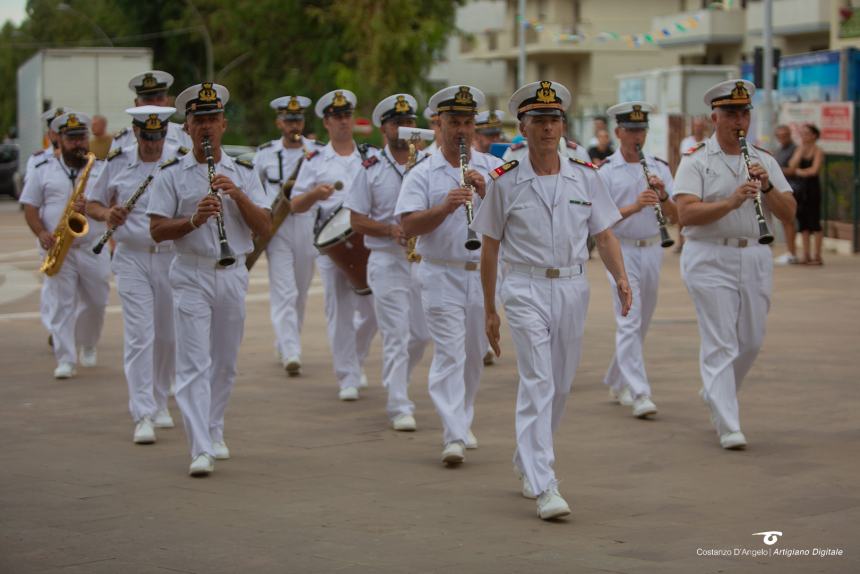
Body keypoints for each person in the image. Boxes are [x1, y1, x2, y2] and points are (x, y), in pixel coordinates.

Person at [472, 80, 631, 520]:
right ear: (522, 126)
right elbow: (489, 247)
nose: (547, 128)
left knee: (560, 384)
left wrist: (620, 277)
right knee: (538, 380)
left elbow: (604, 232)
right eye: (538, 120)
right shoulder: (504, 181)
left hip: (573, 286)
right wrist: (489, 309)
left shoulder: (584, 174)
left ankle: (528, 459)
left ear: (563, 125)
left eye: (554, 120)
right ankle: (545, 483)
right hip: (523, 287)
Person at [147, 82, 270, 476]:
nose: (205, 127)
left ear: (223, 125)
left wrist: (238, 196)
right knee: (194, 363)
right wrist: (194, 220)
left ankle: (215, 428)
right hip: (191, 273)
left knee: (225, 363)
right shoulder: (171, 174)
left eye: (212, 120)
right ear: (186, 127)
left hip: (232, 273)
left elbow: (264, 226)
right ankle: (199, 446)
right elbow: (157, 230)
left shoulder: (245, 172)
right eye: (198, 120)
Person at [673, 79, 796, 450]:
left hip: (756, 254)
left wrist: (768, 188)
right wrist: (731, 201)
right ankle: (728, 424)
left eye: (743, 112)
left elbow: (789, 213)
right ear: (715, 116)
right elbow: (685, 214)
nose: (738, 119)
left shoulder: (764, 159)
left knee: (752, 341)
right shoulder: (696, 160)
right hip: (710, 256)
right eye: (730, 113)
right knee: (721, 341)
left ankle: (716, 389)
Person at [395, 84, 503, 465]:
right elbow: (407, 225)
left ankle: (462, 418)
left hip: (483, 274)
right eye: (453, 121)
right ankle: (453, 434)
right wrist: (444, 207)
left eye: (467, 122)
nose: (461, 129)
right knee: (450, 353)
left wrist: (486, 191)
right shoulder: (422, 170)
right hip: (440, 272)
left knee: (474, 355)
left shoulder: (491, 167)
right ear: (437, 124)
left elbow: (512, 218)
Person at [86, 106, 185, 444]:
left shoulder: (179, 159)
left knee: (168, 335)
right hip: (131, 257)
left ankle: (160, 400)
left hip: (170, 256)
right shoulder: (117, 160)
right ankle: (142, 412)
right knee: (140, 335)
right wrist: (108, 213)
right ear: (136, 132)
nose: (153, 145)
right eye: (147, 137)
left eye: (159, 137)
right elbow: (92, 203)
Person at [346, 93, 431, 431]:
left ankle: (398, 381)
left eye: (410, 122)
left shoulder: (425, 164)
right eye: (398, 123)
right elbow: (355, 219)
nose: (406, 128)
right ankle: (399, 404)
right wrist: (390, 229)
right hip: (385, 258)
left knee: (421, 335)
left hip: (421, 259)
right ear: (385, 128)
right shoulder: (370, 169)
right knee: (395, 333)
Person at [290, 89, 378, 401]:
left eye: (346, 116)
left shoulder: (370, 157)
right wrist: (315, 194)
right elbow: (295, 205)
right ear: (326, 122)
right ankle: (347, 376)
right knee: (339, 311)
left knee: (373, 311)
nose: (343, 121)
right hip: (331, 244)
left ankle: (354, 358)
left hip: (366, 239)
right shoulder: (314, 160)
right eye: (336, 117)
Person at [599, 102, 677, 417]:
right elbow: (600, 223)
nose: (636, 136)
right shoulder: (605, 171)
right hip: (621, 249)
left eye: (641, 129)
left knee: (642, 321)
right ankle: (640, 391)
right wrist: (633, 206)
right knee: (629, 319)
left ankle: (616, 380)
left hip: (653, 247)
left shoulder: (659, 167)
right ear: (618, 132)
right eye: (630, 130)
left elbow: (676, 216)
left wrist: (663, 196)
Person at [20, 112, 110, 379]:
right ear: (59, 139)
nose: (79, 144)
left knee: (97, 302)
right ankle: (66, 358)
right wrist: (41, 233)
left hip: (92, 246)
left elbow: (112, 205)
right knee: (62, 305)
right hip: (60, 246)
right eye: (72, 139)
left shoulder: (102, 168)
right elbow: (31, 207)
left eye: (82, 137)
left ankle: (88, 342)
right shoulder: (42, 169)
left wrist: (94, 209)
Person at [253, 95, 318, 375]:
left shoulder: (316, 151)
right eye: (289, 120)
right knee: (285, 291)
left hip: (306, 224)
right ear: (279, 122)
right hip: (277, 228)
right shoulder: (265, 153)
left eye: (298, 119)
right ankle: (292, 351)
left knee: (301, 292)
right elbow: (254, 190)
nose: (294, 125)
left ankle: (285, 340)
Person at [111, 71, 192, 152]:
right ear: (136, 103)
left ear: (168, 102)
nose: (154, 104)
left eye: (160, 99)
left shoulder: (185, 135)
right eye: (148, 100)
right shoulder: (123, 139)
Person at [787, 124, 824, 266]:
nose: (804, 136)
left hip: (813, 188)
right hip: (800, 189)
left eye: (807, 133)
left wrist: (798, 172)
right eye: (802, 133)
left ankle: (817, 256)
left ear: (814, 135)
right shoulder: (799, 149)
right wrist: (801, 151)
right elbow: (792, 165)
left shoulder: (818, 151)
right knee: (803, 223)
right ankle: (806, 255)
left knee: (815, 221)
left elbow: (814, 170)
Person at [773, 125, 798, 265]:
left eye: (786, 135)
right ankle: (790, 251)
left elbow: (793, 170)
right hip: (780, 189)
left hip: (793, 188)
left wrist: (774, 169)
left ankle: (792, 253)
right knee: (785, 221)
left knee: (789, 220)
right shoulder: (779, 150)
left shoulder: (794, 149)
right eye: (780, 136)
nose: (783, 138)